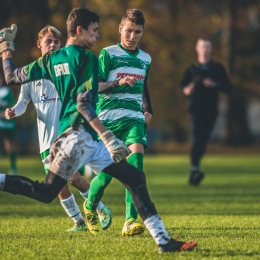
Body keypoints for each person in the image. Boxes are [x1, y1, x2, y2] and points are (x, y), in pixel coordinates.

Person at [0, 7, 197, 253]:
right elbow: (83, 103)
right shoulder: (87, 59)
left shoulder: (49, 59)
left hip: (73, 138)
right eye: (93, 31)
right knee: (50, 190)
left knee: (132, 178)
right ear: (80, 30)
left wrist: (6, 47)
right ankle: (162, 240)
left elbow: (11, 76)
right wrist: (108, 137)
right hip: (80, 138)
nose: (96, 36)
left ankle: (163, 241)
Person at [4, 25, 112, 232]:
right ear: (39, 44)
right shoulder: (31, 74)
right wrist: (13, 112)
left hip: (67, 137)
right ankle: (79, 222)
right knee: (58, 186)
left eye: (56, 42)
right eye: (48, 41)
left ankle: (99, 207)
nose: (52, 45)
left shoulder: (65, 69)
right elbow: (22, 103)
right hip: (46, 141)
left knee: (74, 178)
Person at [86, 9, 153, 237]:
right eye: (129, 30)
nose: (133, 36)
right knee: (106, 176)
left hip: (134, 120)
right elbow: (98, 86)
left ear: (142, 32)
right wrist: (118, 82)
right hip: (109, 123)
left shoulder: (146, 58)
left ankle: (130, 221)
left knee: (136, 169)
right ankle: (90, 206)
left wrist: (148, 109)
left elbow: (143, 86)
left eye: (138, 32)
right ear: (120, 29)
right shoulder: (108, 53)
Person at [180, 38, 232, 186]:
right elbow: (183, 86)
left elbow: (228, 88)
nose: (205, 50)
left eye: (208, 47)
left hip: (211, 109)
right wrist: (187, 89)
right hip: (195, 109)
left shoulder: (217, 68)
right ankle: (194, 168)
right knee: (197, 137)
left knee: (203, 139)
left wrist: (215, 84)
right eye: (202, 47)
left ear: (211, 49)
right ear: (197, 49)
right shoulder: (191, 68)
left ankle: (194, 169)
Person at [0, 74, 17, 175]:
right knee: (6, 145)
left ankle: (13, 167)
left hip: (8, 123)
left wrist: (3, 114)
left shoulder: (6, 92)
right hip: (1, 124)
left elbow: (12, 105)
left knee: (11, 145)